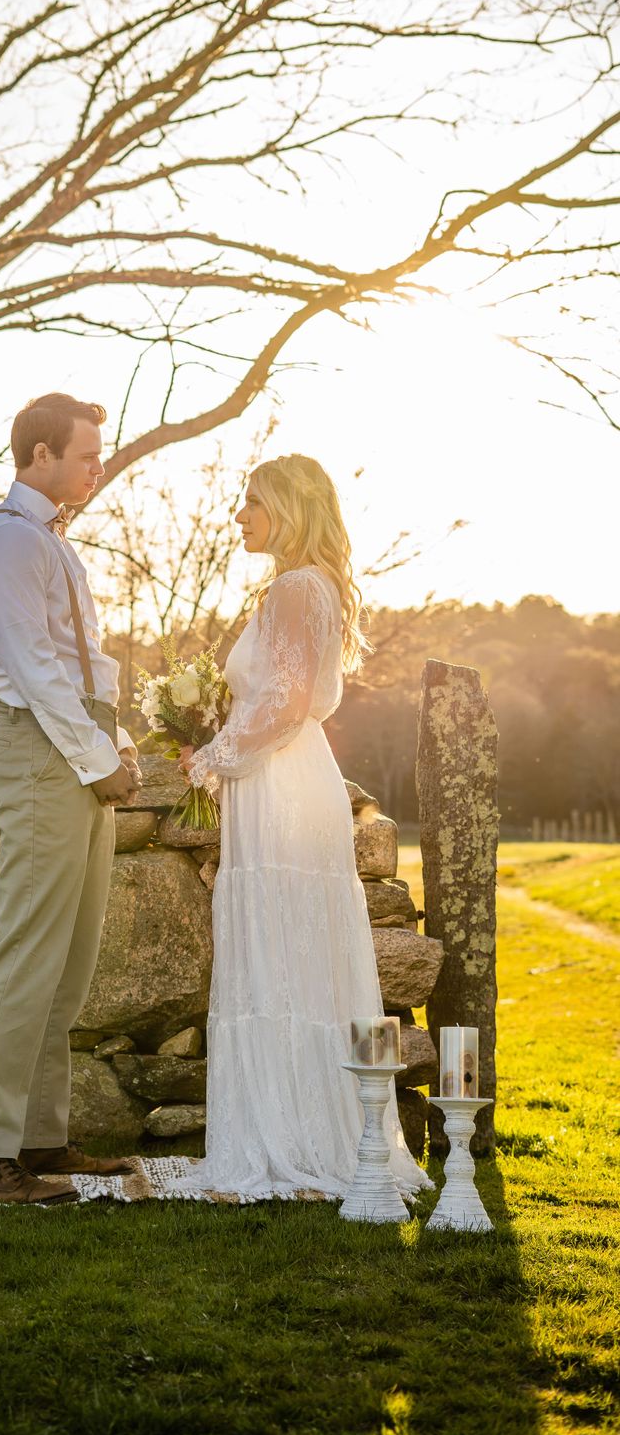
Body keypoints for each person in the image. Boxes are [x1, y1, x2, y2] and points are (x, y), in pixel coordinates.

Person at [167, 453, 431, 1201]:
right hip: (293, 778)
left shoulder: (294, 587)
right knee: (295, 956)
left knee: (281, 953)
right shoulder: (313, 586)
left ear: (288, 509)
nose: (238, 517)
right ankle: (312, 1130)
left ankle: (289, 1142)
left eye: (251, 503)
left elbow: (281, 705)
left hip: (280, 784)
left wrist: (210, 759)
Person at [0, 393, 141, 1206]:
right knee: (26, 953)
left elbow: (88, 659)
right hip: (42, 751)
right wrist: (97, 758)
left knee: (68, 962)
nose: (100, 466)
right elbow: (33, 668)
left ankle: (40, 1137)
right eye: (87, 454)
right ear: (39, 455)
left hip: (82, 746)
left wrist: (120, 741)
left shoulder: (54, 544)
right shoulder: (4, 542)